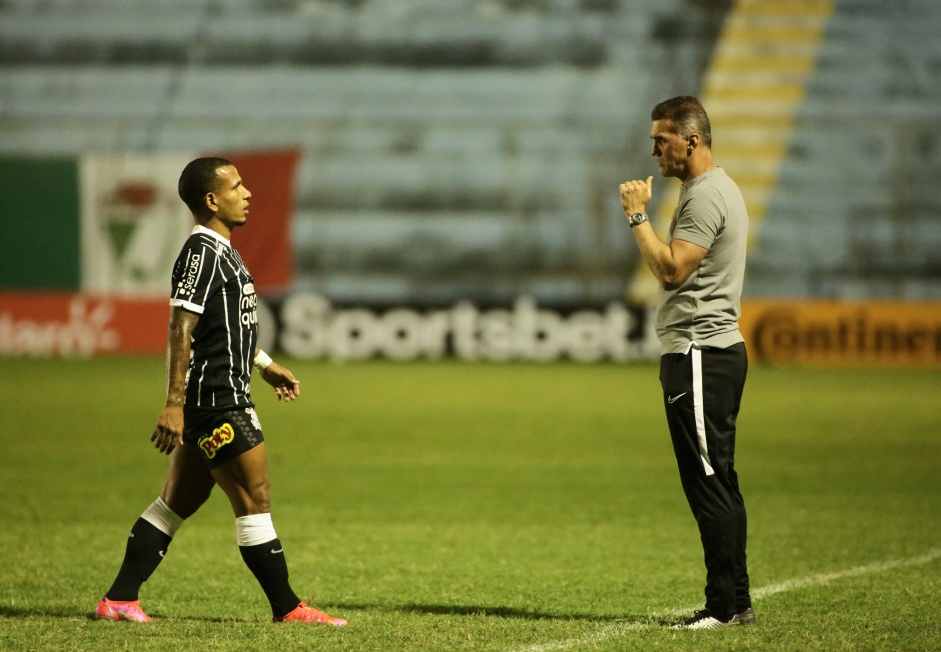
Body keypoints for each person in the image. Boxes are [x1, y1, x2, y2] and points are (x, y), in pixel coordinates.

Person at [95, 157, 346, 626]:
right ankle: (288, 608)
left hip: (215, 396)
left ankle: (119, 599)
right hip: (217, 400)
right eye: (236, 186)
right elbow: (181, 326)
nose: (246, 192)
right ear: (211, 200)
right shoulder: (202, 253)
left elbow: (225, 326)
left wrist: (265, 365)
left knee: (176, 502)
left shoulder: (222, 250)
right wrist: (173, 403)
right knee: (256, 497)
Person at [618, 96, 754, 629]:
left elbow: (672, 271)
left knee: (708, 483)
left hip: (701, 351)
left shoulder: (704, 197)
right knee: (718, 478)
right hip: (712, 351)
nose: (654, 151)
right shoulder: (716, 189)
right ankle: (735, 601)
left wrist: (636, 216)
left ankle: (723, 606)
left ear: (690, 140)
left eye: (661, 140)